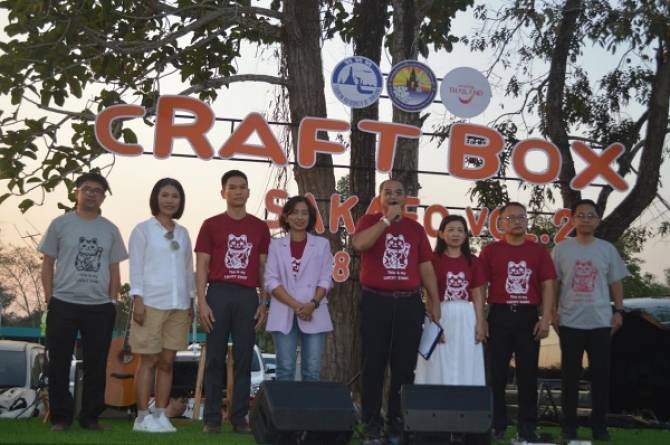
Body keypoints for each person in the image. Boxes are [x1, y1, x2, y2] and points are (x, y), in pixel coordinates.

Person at [351, 179, 441, 445]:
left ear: (406, 199)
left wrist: (434, 300)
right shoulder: (369, 221)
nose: (393, 196)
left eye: (398, 193)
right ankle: (371, 423)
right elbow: (360, 244)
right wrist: (386, 221)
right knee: (373, 365)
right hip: (376, 301)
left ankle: (396, 422)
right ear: (380, 198)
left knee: (404, 367)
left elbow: (425, 266)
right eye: (388, 192)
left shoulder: (416, 229)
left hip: (409, 304)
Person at [39, 172, 128, 432]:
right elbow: (47, 263)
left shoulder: (110, 229)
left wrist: (112, 300)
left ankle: (90, 417)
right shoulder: (60, 224)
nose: (91, 194)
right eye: (87, 189)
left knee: (96, 365)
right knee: (58, 362)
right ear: (76, 192)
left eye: (97, 190)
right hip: (63, 302)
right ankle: (61, 417)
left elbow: (114, 269)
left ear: (103, 197)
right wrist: (49, 296)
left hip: (99, 307)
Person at [195, 170, 271, 434]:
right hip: (218, 293)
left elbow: (263, 266)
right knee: (215, 358)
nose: (238, 191)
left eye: (242, 187)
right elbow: (202, 264)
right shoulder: (211, 225)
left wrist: (263, 302)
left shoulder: (259, 227)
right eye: (233, 187)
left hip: (247, 295)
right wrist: (202, 302)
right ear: (223, 193)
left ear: (248, 192)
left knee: (244, 358)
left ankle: (239, 418)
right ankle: (212, 419)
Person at [552, 199, 628, 442]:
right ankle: (569, 426)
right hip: (570, 321)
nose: (586, 219)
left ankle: (599, 427)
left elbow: (616, 282)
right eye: (581, 215)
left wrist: (619, 311)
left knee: (601, 376)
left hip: (601, 322)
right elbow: (553, 283)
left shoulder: (607, 249)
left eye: (590, 215)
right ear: (573, 220)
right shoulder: (561, 249)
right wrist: (552, 311)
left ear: (597, 220)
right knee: (570, 377)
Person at [479, 201, 556, 442]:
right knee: (496, 375)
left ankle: (527, 427)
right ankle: (497, 424)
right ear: (501, 223)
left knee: (528, 374)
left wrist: (546, 318)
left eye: (521, 217)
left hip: (528, 316)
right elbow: (480, 286)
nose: (517, 221)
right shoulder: (491, 251)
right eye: (511, 218)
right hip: (499, 315)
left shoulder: (538, 251)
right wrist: (481, 318)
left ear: (527, 220)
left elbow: (548, 285)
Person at [128, 178, 195, 433]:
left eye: (175, 196)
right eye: (165, 195)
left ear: (181, 202)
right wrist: (137, 299)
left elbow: (188, 269)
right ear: (156, 198)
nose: (169, 200)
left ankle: (160, 414)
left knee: (167, 362)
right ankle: (142, 417)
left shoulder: (183, 233)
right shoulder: (142, 230)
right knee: (148, 361)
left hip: (179, 304)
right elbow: (135, 267)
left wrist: (191, 301)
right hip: (151, 303)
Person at [264, 196, 334, 381]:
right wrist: (298, 306)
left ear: (310, 218)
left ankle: (310, 403)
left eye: (304, 213)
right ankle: (284, 403)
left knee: (312, 370)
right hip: (284, 310)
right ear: (286, 217)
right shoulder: (276, 245)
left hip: (314, 311)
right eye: (294, 212)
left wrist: (313, 304)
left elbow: (326, 279)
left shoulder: (322, 244)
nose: (299, 217)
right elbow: (271, 281)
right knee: (285, 369)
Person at [414, 214, 487, 385]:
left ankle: (465, 398)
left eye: (460, 230)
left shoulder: (473, 261)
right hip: (440, 313)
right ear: (441, 234)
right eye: (451, 230)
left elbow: (477, 293)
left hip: (466, 315)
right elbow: (428, 291)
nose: (456, 234)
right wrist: (434, 322)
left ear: (465, 235)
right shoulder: (432, 260)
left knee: (465, 357)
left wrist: (480, 322)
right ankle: (436, 398)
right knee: (438, 357)